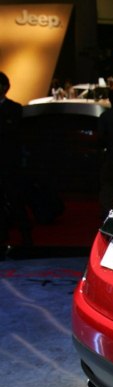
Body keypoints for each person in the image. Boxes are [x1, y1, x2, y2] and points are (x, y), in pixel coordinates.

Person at [0, 71, 33, 258]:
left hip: (9, 162)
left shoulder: (14, 108)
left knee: (15, 199)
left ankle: (25, 235)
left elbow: (13, 133)